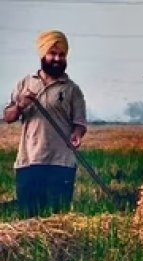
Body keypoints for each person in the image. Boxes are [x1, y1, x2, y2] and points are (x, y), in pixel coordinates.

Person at [3, 30, 87, 217]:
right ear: (43, 54)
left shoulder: (72, 89)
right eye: (52, 54)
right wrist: (20, 105)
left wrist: (77, 134)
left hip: (62, 163)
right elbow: (8, 117)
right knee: (28, 220)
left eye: (61, 55)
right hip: (29, 161)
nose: (57, 58)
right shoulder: (25, 83)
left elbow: (80, 122)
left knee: (59, 222)